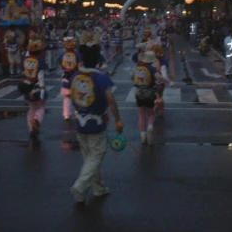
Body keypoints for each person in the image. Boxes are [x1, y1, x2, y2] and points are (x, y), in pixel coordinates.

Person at [68, 44, 122, 204]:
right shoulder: (101, 78)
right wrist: (118, 118)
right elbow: (111, 99)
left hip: (80, 122)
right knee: (96, 156)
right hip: (96, 122)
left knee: (89, 158)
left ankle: (97, 188)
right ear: (98, 61)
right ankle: (81, 185)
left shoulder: (75, 76)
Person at [19, 37, 48, 142]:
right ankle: (37, 120)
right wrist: (42, 89)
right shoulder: (40, 61)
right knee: (40, 107)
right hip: (37, 87)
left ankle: (31, 129)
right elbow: (42, 76)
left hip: (27, 87)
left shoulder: (25, 60)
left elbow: (22, 72)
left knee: (31, 109)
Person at [133, 50, 162, 145]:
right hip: (149, 93)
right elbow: (159, 77)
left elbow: (132, 78)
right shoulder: (152, 68)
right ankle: (150, 127)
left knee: (141, 114)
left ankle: (143, 135)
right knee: (150, 113)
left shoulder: (138, 67)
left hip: (138, 93)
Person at [60, 37, 82, 121]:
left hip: (66, 75)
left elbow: (61, 64)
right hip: (76, 75)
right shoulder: (77, 54)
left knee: (66, 96)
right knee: (77, 95)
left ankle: (66, 114)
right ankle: (78, 111)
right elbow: (80, 65)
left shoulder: (62, 55)